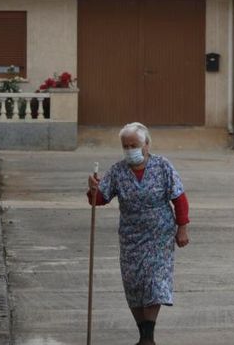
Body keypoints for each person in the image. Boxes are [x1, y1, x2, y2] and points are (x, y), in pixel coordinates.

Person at [87, 122, 190, 345]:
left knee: (154, 282)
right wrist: (93, 189)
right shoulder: (117, 171)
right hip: (131, 236)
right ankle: (142, 332)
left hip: (159, 235)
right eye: (126, 145)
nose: (130, 149)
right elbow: (99, 199)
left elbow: (179, 198)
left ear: (147, 144)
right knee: (133, 283)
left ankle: (147, 336)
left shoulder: (163, 166)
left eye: (134, 144)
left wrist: (182, 227)